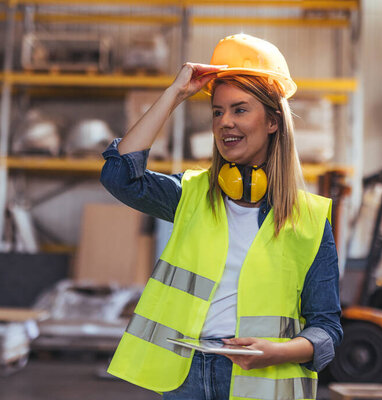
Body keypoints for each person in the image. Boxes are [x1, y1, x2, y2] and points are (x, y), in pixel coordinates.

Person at [100, 33, 342, 400]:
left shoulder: (308, 219)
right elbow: (119, 176)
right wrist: (175, 94)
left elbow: (327, 327)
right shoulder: (192, 195)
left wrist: (278, 351)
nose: (224, 122)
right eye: (217, 111)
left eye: (239, 110)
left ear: (273, 122)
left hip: (262, 380)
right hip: (186, 374)